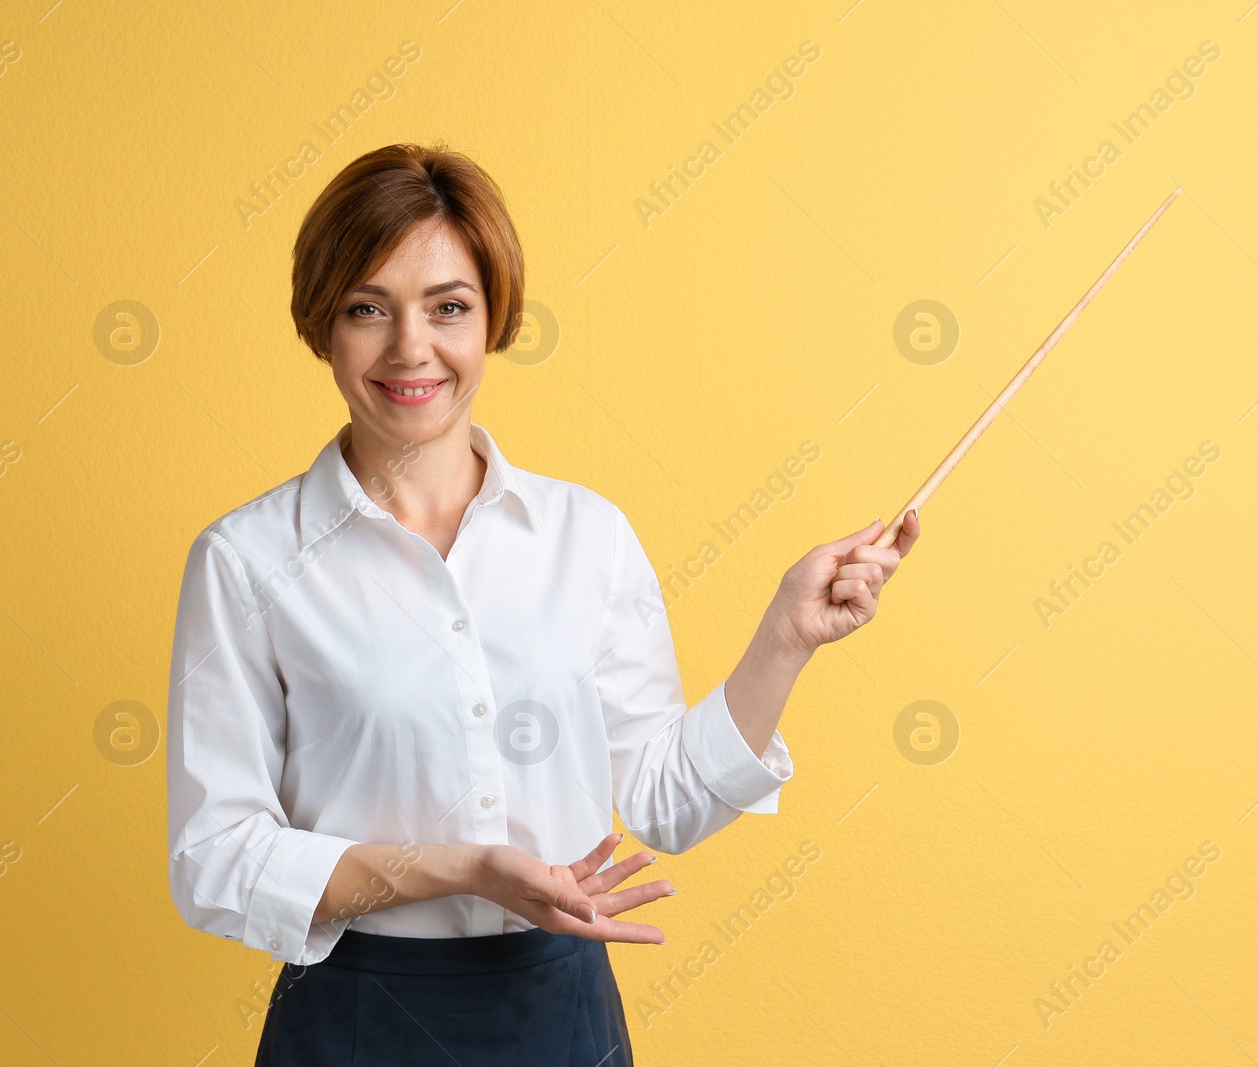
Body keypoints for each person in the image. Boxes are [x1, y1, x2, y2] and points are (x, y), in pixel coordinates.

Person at [165, 142, 922, 1066]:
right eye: (369, 308)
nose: (413, 348)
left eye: (450, 308)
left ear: (493, 323)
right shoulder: (245, 560)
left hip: (559, 1013)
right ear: (323, 325)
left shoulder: (587, 535)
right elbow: (214, 858)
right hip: (354, 1019)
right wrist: (459, 866)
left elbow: (664, 801)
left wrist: (787, 637)